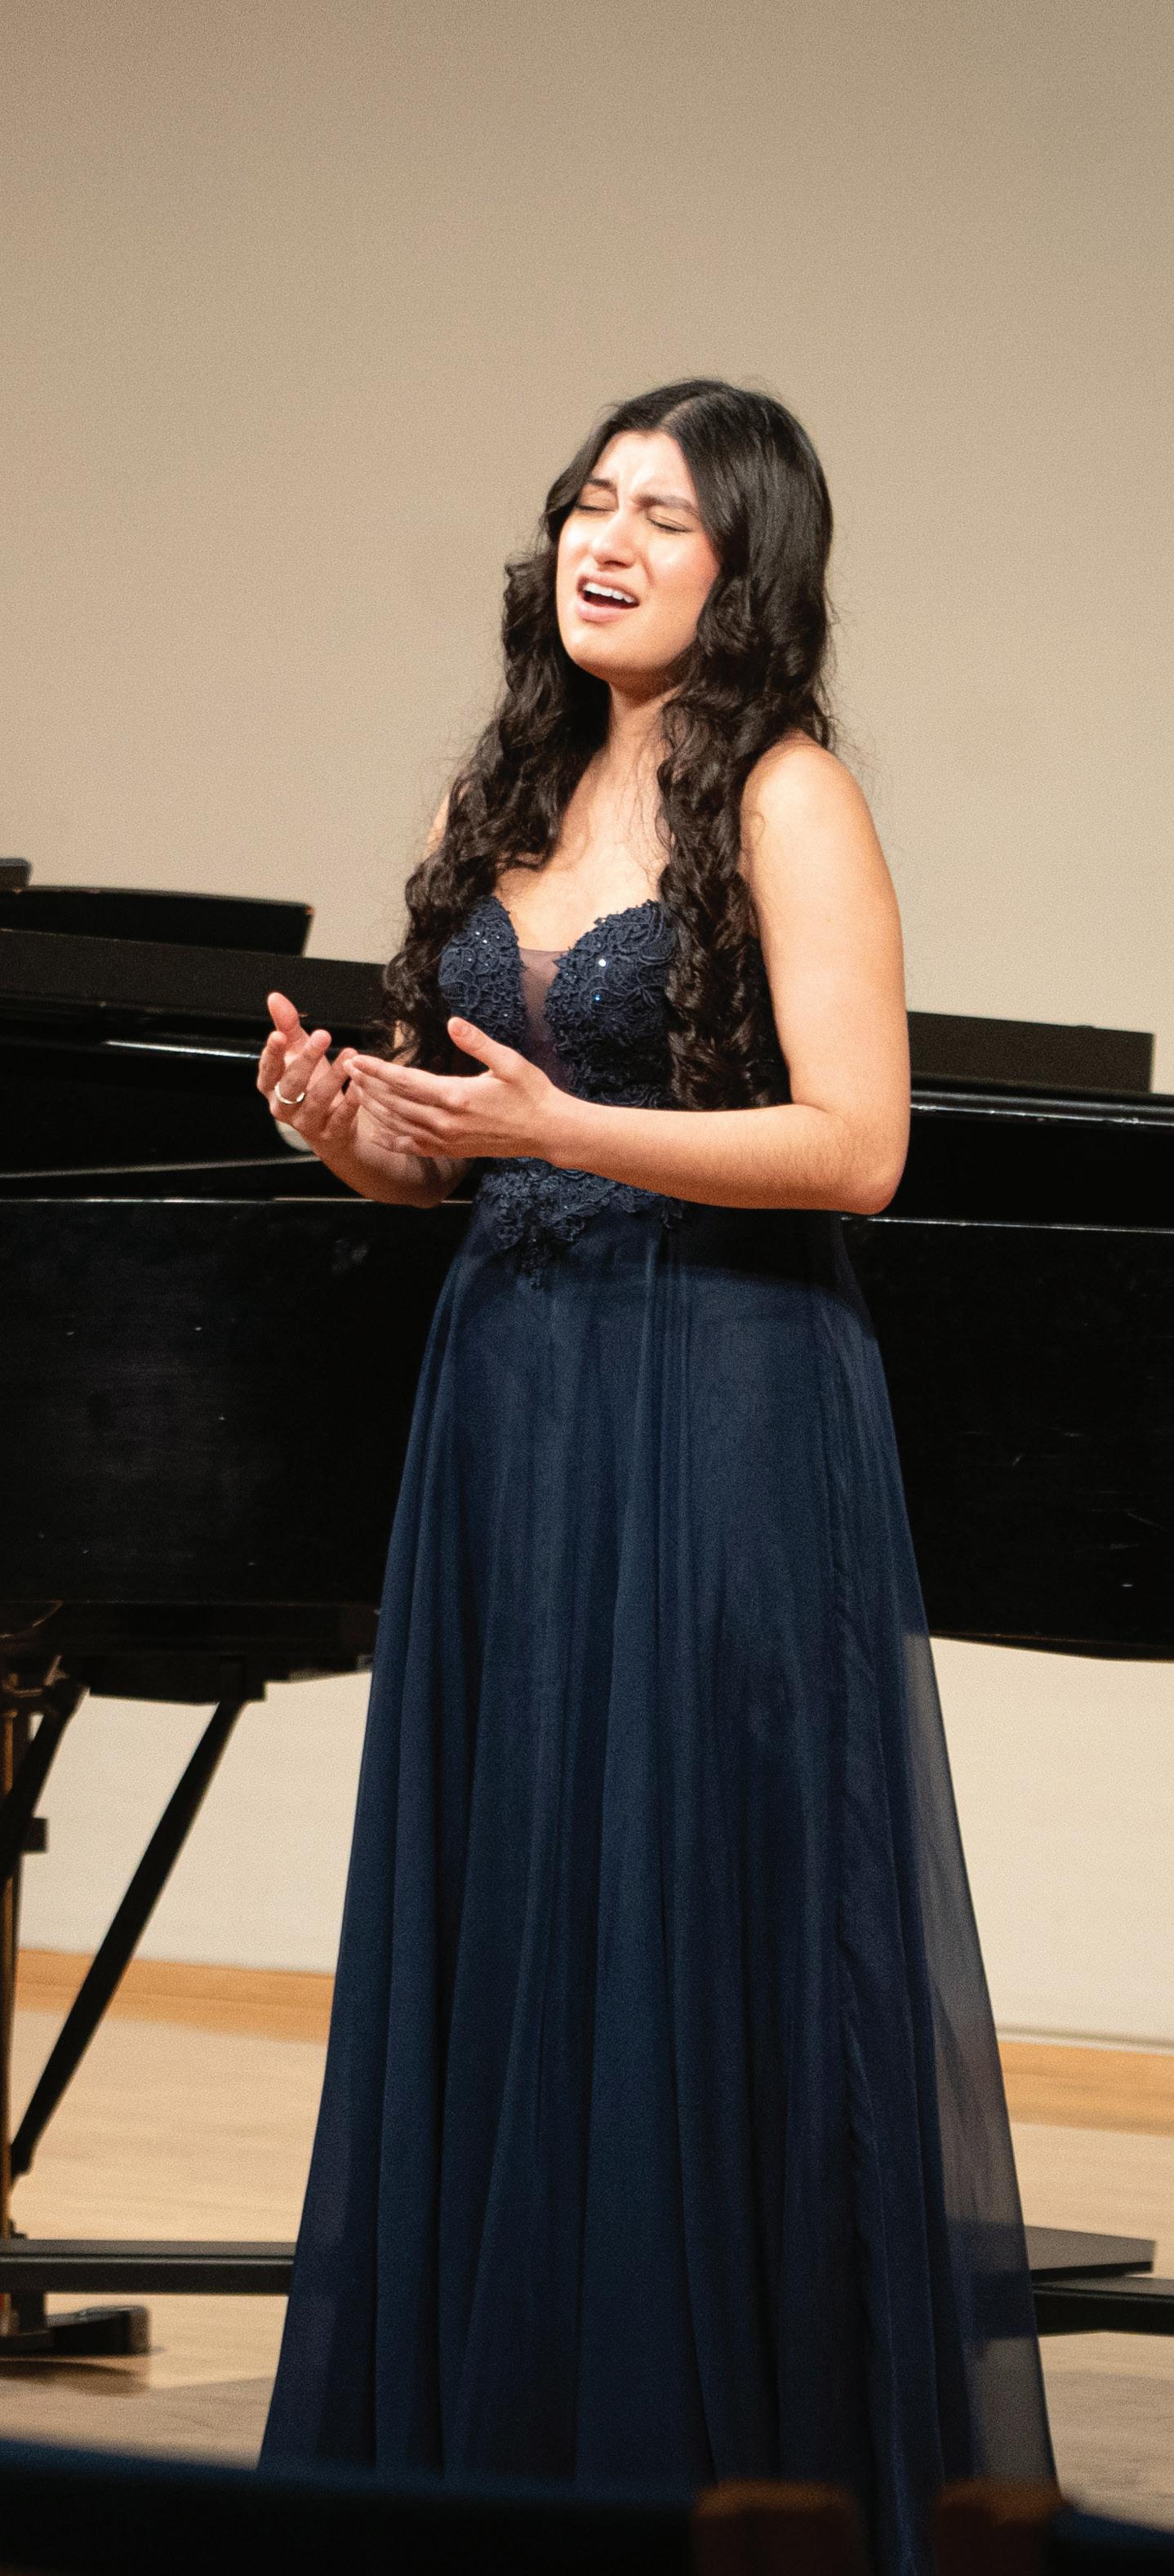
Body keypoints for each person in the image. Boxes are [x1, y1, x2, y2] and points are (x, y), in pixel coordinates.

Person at [256, 380, 1054, 2568]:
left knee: (688, 1904)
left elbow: (860, 1148)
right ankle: (490, 2469)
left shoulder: (788, 793)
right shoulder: (507, 782)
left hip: (721, 1395)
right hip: (511, 1400)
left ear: (747, 563)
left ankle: (705, 2467)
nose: (603, 544)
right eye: (588, 504)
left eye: (662, 517)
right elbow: (461, 1149)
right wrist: (354, 1131)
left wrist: (558, 1129)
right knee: (516, 1888)